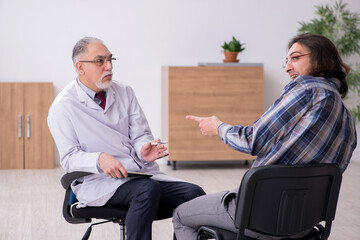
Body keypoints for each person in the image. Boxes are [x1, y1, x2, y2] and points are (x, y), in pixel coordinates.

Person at [172, 33, 357, 240]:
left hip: (260, 215)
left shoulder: (306, 89)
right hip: (304, 223)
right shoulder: (348, 119)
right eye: (286, 61)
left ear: (322, 59)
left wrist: (218, 127)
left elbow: (253, 141)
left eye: (295, 58)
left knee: (181, 214)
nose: (287, 68)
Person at [47, 37, 205, 240]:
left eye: (110, 59)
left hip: (137, 174)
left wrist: (143, 149)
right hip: (99, 181)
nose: (109, 66)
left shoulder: (124, 92)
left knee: (194, 195)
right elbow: (69, 158)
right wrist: (100, 159)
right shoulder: (63, 106)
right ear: (80, 67)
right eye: (100, 61)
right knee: (146, 190)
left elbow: (141, 134)